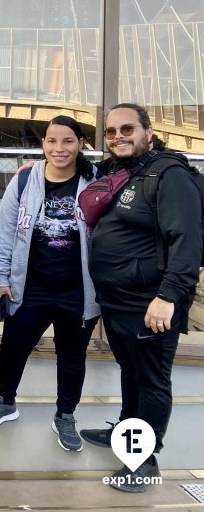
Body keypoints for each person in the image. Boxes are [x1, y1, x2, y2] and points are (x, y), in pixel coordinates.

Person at [79, 104, 202, 492]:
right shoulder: (122, 171)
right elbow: (76, 167)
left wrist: (168, 296)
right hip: (117, 300)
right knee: (130, 371)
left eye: (127, 129)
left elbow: (187, 240)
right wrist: (33, 169)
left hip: (151, 303)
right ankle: (128, 432)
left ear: (148, 132)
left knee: (151, 380)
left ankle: (144, 460)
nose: (118, 137)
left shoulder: (169, 175)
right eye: (111, 132)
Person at [0, 116, 99, 453]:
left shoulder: (96, 181)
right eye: (52, 141)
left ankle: (65, 414)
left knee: (71, 355)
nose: (59, 148)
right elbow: (4, 235)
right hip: (30, 286)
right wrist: (1, 278)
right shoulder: (24, 180)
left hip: (78, 289)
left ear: (80, 144)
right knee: (14, 346)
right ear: (42, 143)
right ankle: (5, 400)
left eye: (68, 141)